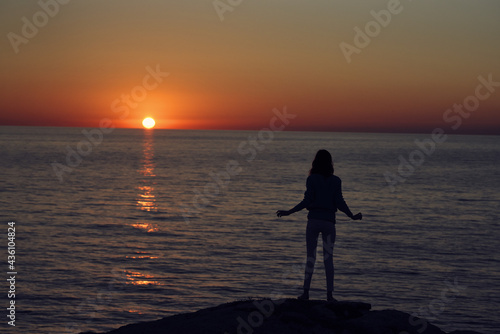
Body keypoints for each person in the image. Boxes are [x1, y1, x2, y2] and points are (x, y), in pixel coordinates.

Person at [276, 149, 362, 302]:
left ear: (315, 161)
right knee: (328, 259)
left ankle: (306, 293)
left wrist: (289, 212)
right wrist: (351, 216)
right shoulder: (336, 181)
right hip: (329, 223)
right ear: (330, 163)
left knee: (311, 258)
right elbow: (340, 202)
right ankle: (329, 295)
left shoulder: (312, 179)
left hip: (313, 221)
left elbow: (307, 201)